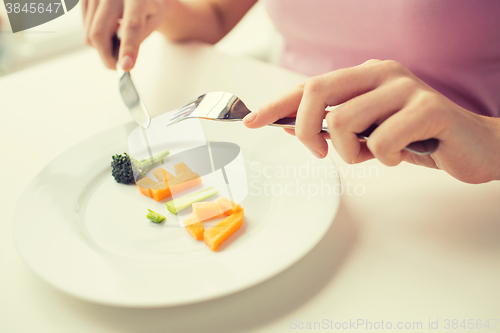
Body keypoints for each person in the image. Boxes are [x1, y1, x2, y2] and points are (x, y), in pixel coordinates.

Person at [82, 0, 500, 184]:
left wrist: (489, 138)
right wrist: (161, 6)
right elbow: (214, 13)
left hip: (458, 193)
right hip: (294, 165)